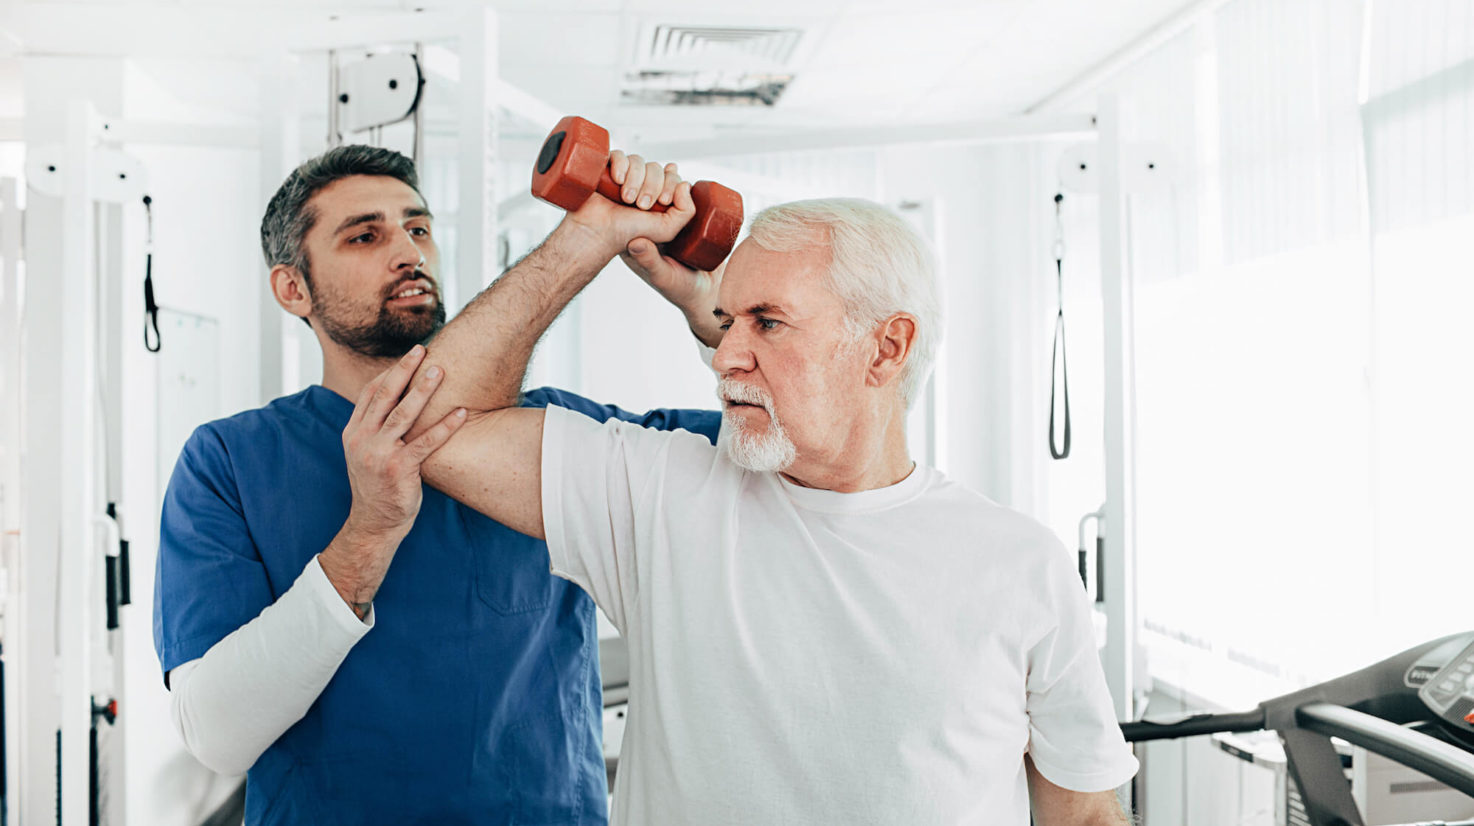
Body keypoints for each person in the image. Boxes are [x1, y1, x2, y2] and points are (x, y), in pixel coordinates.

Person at [393, 194, 1139, 824]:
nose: (724, 355)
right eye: (725, 321)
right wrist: (592, 234)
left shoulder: (1018, 564)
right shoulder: (661, 492)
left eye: (767, 322)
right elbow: (424, 422)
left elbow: (1084, 812)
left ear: (886, 349)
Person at [151, 144, 719, 824]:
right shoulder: (229, 461)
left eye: (418, 228)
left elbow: (769, 461)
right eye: (366, 235)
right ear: (292, 288)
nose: (408, 251)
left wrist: (706, 308)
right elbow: (217, 736)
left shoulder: (556, 434)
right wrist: (369, 533)